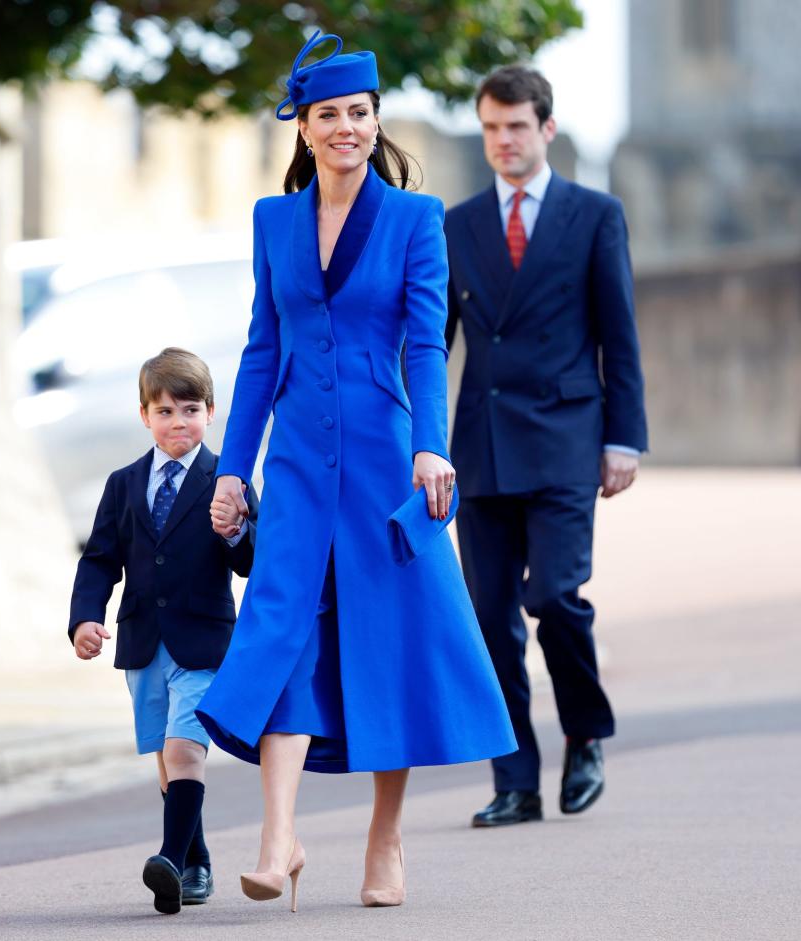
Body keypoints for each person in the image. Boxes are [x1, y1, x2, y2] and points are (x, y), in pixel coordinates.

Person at [196, 31, 516, 912]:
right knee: (282, 627)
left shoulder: (416, 221)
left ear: (377, 123)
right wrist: (234, 467)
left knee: (389, 641)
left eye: (360, 114)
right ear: (303, 128)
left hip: (384, 459)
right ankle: (278, 837)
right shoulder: (273, 220)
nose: (346, 128)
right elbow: (264, 349)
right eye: (328, 114)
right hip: (298, 463)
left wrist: (431, 443)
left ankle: (385, 836)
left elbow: (423, 343)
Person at [444, 66, 648, 828]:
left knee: (553, 598)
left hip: (568, 437)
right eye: (492, 128)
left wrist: (624, 436)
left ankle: (586, 731)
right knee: (489, 617)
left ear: (546, 129)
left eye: (517, 127)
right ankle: (516, 780)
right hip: (482, 445)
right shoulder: (457, 224)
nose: (503, 141)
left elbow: (619, 335)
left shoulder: (595, 214)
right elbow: (435, 348)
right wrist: (423, 444)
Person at [68, 348, 258, 914]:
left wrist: (235, 533)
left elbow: (252, 561)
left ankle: (171, 859)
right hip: (142, 641)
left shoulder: (229, 480)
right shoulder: (123, 484)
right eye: (166, 411)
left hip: (203, 642)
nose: (179, 423)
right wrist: (84, 617)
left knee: (184, 749)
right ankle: (195, 862)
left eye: (191, 409)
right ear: (145, 415)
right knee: (165, 757)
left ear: (212, 411)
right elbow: (99, 559)